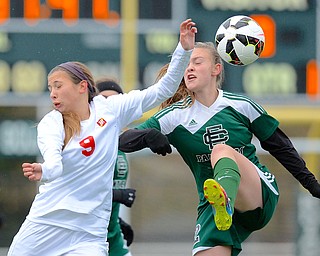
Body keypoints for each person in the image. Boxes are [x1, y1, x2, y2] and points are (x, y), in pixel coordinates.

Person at [7, 18, 196, 256]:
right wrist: (44, 171)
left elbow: (163, 89)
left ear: (82, 86)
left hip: (89, 232)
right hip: (46, 223)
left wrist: (184, 49)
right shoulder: (51, 122)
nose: (53, 93)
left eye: (58, 86)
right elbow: (54, 163)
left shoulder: (110, 109)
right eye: (50, 88)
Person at [119, 42, 320, 256]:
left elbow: (281, 147)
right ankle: (222, 204)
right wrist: (149, 135)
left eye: (197, 62)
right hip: (214, 208)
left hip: (256, 194)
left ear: (217, 69)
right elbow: (122, 142)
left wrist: (311, 184)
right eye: (186, 64)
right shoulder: (174, 116)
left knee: (221, 150)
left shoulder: (241, 106)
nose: (190, 68)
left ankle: (226, 199)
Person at [96, 78, 135, 256]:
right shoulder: (89, 142)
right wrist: (117, 195)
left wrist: (116, 220)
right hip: (88, 236)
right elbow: (76, 188)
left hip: (112, 235)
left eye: (116, 101)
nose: (110, 106)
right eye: (104, 99)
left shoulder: (118, 141)